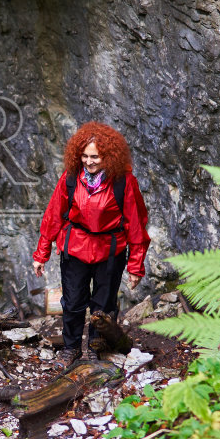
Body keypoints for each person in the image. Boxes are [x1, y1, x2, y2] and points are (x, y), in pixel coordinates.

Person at [31, 122, 150, 363]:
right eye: (84, 155)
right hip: (75, 247)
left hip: (110, 251)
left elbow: (136, 224)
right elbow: (53, 216)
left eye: (95, 156)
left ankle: (97, 349)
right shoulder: (71, 178)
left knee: (103, 307)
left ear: (108, 156)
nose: (89, 161)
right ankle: (71, 348)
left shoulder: (123, 182)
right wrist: (41, 254)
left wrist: (136, 266)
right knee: (73, 302)